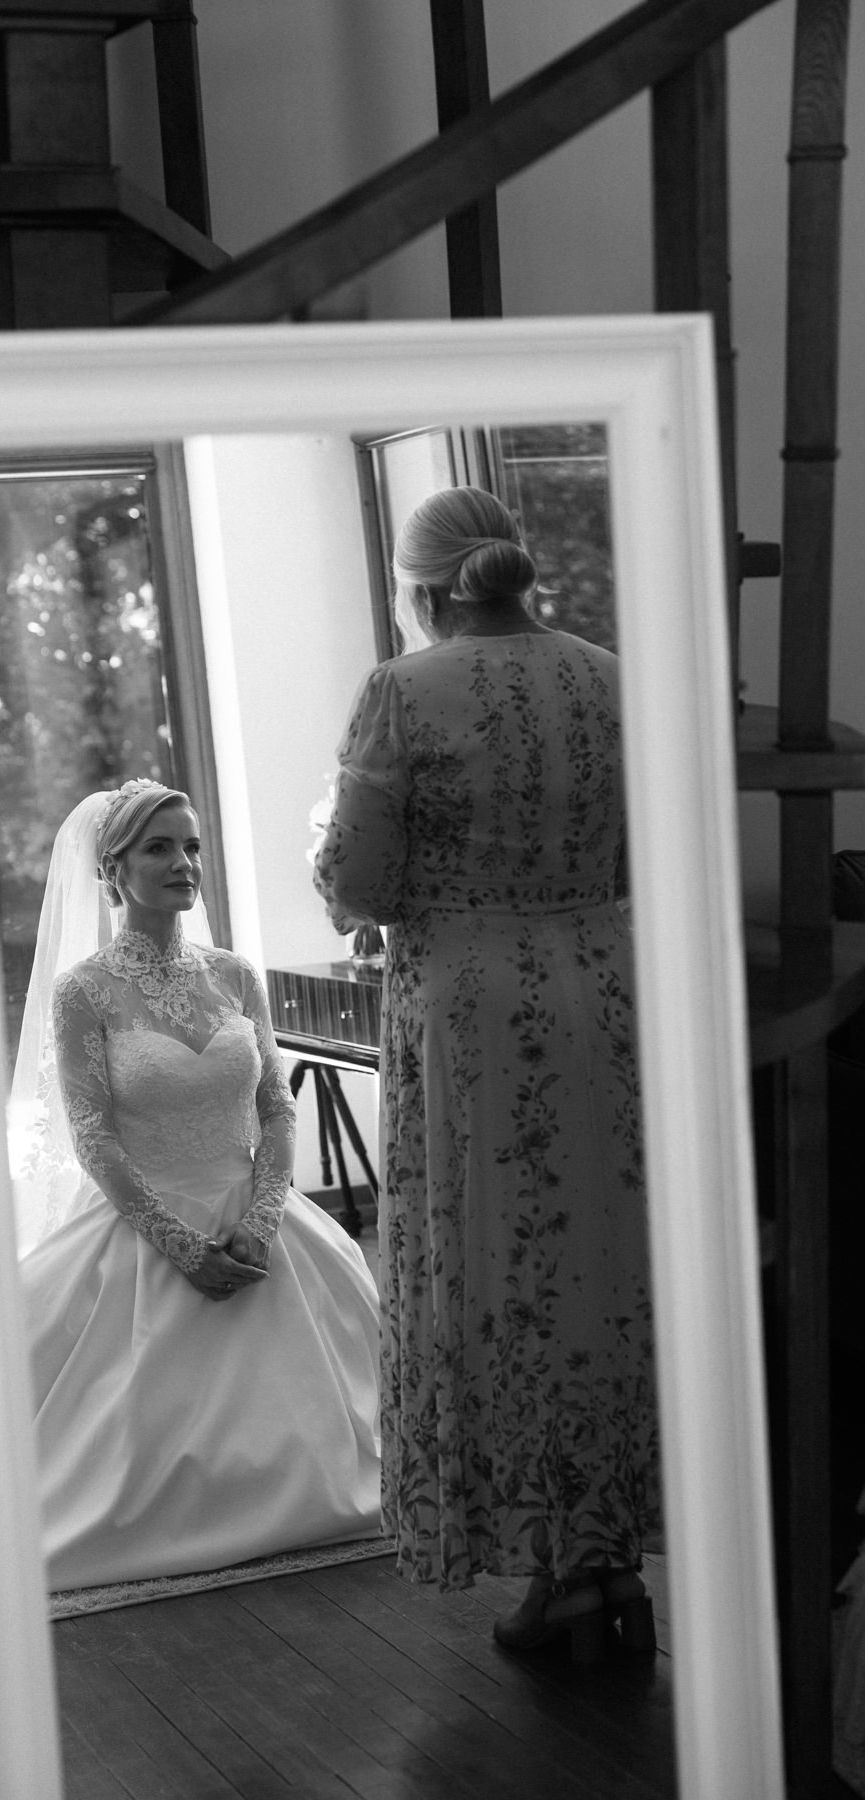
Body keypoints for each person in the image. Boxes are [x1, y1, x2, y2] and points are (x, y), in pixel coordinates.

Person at [313, 487, 661, 1659]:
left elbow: (358, 880)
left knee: (496, 1272)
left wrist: (376, 887)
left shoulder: (401, 692)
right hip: (603, 993)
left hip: (472, 1014)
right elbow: (642, 848)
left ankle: (558, 1571)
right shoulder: (610, 678)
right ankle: (608, 1558)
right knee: (601, 1265)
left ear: (423, 590)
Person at [10, 777, 382, 1593]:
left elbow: (277, 1107)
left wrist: (264, 1215)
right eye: (160, 848)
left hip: (257, 1215)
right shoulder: (84, 992)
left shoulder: (234, 974)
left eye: (191, 846)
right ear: (112, 870)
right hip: (144, 1222)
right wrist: (179, 1245)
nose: (184, 863)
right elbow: (93, 1134)